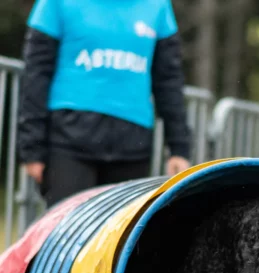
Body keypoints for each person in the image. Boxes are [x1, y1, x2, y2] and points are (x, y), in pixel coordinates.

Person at [18, 0, 191, 207]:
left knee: (123, 236)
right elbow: (36, 74)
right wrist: (31, 148)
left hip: (133, 145)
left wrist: (179, 148)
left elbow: (168, 81)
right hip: (68, 143)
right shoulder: (56, 3)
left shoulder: (158, 6)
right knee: (70, 233)